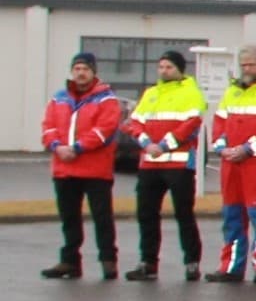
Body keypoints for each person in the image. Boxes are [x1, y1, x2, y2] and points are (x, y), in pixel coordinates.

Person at [206, 45, 256, 284]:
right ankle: (231, 266)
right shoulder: (233, 90)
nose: (247, 69)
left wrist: (248, 148)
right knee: (232, 216)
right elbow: (219, 122)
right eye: (243, 65)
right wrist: (221, 147)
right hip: (232, 163)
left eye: (251, 64)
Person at [123, 50, 207, 282]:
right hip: (150, 163)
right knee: (146, 214)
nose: (164, 71)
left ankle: (192, 262)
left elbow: (191, 124)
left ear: (180, 69)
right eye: (161, 67)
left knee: (184, 214)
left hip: (178, 164)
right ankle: (148, 262)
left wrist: (164, 145)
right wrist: (146, 143)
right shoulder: (151, 93)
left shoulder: (191, 93)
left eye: (169, 67)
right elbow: (135, 123)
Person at [39, 53, 122, 281]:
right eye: (77, 68)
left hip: (96, 170)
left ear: (94, 72)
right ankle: (70, 261)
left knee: (102, 218)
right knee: (69, 218)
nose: (81, 73)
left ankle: (108, 261)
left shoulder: (106, 99)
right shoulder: (58, 98)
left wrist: (77, 147)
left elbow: (104, 130)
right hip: (64, 169)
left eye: (85, 69)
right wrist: (57, 146)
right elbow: (48, 127)